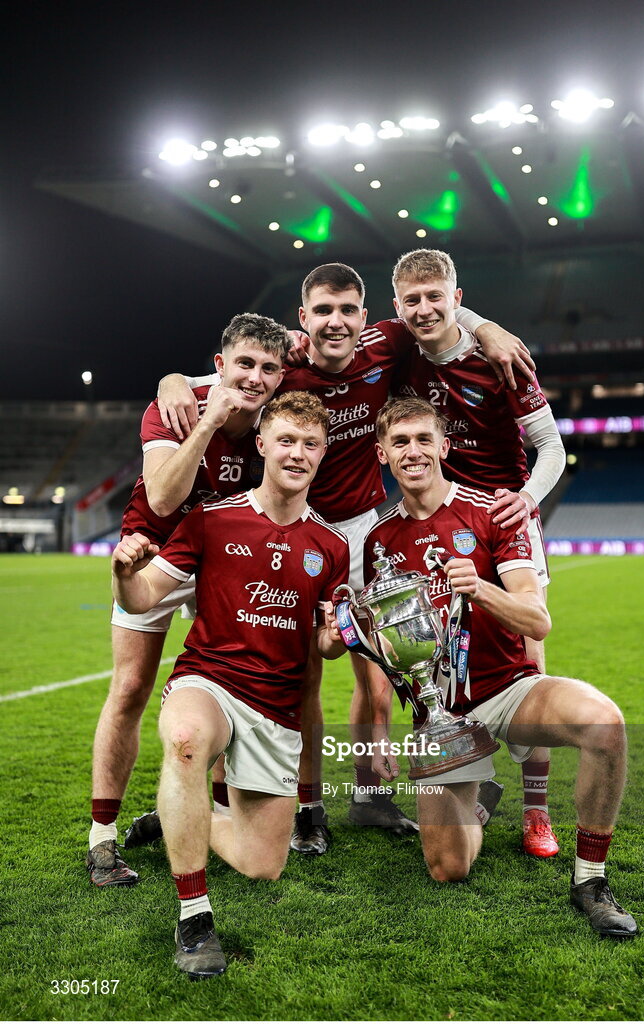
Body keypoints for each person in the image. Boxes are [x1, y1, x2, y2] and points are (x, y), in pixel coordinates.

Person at [157, 264, 535, 856]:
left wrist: (484, 326)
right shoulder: (284, 362)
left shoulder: (386, 342)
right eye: (324, 311)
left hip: (361, 528)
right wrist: (172, 379)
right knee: (290, 668)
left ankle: (368, 796)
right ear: (302, 321)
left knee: (382, 671)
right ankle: (273, 800)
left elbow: (436, 316)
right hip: (292, 524)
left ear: (365, 316)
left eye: (348, 310)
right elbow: (226, 371)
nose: (337, 322)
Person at [361, 397, 637, 939]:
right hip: (439, 717)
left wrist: (480, 588)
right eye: (399, 442)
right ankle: (479, 804)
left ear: (443, 446)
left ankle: (591, 880)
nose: (412, 451)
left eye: (423, 439)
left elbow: (537, 620)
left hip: (509, 692)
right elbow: (387, 649)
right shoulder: (378, 541)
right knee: (448, 868)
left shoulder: (492, 511)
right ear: (381, 454)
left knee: (605, 723)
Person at [111, 392, 350, 979]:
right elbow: (142, 598)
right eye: (286, 441)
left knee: (260, 864)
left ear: (323, 454)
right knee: (188, 739)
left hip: (276, 707)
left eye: (310, 444)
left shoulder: (333, 547)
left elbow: (325, 646)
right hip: (208, 681)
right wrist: (122, 574)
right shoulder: (210, 520)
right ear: (262, 444)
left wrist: (340, 637)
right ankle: (194, 920)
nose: (297, 454)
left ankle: (176, 815)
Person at [86, 313, 290, 887]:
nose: (254, 378)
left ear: (281, 375)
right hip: (151, 547)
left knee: (232, 686)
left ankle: (210, 811)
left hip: (225, 560)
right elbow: (161, 493)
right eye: (244, 364)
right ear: (220, 364)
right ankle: (101, 837)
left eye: (268, 368)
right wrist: (206, 421)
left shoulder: (277, 418)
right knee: (128, 688)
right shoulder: (176, 405)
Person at [389, 249, 566, 855]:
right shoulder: (399, 351)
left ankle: (537, 812)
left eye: (435, 296)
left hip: (500, 517)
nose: (424, 308)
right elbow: (328, 339)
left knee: (530, 662)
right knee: (435, 662)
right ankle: (465, 777)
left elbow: (552, 449)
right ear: (398, 307)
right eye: (412, 299)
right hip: (436, 521)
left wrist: (525, 500)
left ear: (457, 297)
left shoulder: (501, 359)